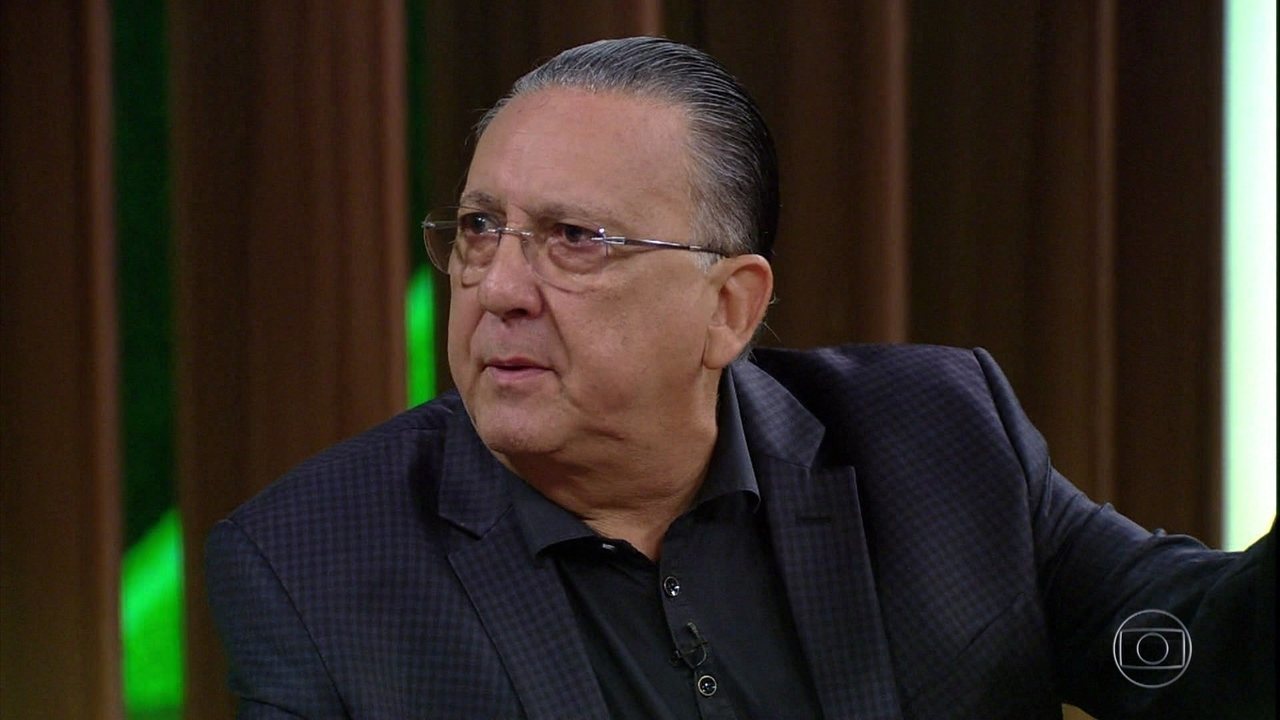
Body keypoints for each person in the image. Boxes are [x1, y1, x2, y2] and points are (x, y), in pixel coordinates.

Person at [206, 36, 1275, 719]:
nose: (500, 288)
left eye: (574, 239)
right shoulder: (314, 565)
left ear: (729, 308)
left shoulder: (939, 441)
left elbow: (1206, 658)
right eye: (481, 229)